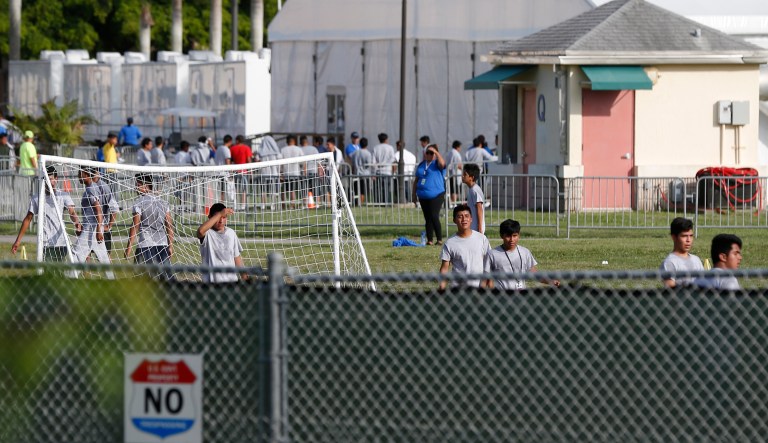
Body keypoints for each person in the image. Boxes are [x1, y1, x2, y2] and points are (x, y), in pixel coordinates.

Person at [12, 165, 82, 261]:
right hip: (45, 242)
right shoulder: (37, 198)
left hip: (61, 241)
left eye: (51, 179)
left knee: (59, 271)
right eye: (46, 179)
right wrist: (18, 241)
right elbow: (28, 219)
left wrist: (77, 223)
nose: (48, 182)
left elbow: (72, 212)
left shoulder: (63, 195)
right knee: (47, 272)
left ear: (56, 179)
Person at [124, 174, 175, 279]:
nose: (135, 188)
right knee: (165, 279)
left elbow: (135, 225)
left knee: (140, 281)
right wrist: (170, 245)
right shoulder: (163, 202)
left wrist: (129, 247)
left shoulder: (139, 202)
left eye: (138, 185)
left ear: (146, 186)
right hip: (162, 245)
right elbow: (169, 225)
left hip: (145, 245)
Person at [487, 219, 560, 290]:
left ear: (519, 235)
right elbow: (487, 278)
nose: (512, 240)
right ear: (501, 235)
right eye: (508, 236)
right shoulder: (492, 254)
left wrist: (550, 281)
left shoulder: (525, 252)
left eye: (514, 236)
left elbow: (534, 273)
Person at [72, 167, 114, 279]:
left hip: (91, 230)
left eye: (79, 173)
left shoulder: (91, 189)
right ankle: (112, 283)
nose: (78, 176)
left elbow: (98, 210)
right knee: (104, 260)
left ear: (85, 174)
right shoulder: (93, 187)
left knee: (75, 255)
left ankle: (68, 280)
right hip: (93, 229)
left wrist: (99, 230)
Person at [438, 204, 491, 290]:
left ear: (471, 219)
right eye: (460, 216)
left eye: (467, 216)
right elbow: (444, 268)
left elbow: (489, 264)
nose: (464, 219)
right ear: (454, 220)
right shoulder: (449, 243)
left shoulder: (482, 239)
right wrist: (441, 289)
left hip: (479, 288)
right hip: (458, 289)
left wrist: (487, 286)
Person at [196, 202, 246, 282]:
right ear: (210, 217)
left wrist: (244, 277)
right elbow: (200, 231)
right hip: (211, 283)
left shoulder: (231, 233)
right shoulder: (207, 233)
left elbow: (236, 257)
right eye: (218, 217)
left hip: (231, 282)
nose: (221, 221)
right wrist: (219, 214)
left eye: (224, 217)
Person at [413, 144, 446, 245]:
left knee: (434, 215)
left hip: (436, 194)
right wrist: (413, 194)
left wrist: (435, 152)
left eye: (431, 153)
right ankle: (430, 239)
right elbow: (416, 180)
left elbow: (443, 163)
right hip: (423, 195)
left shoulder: (437, 164)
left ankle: (439, 239)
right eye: (427, 152)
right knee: (427, 217)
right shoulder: (421, 164)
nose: (429, 154)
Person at [660, 217, 704, 288]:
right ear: (674, 237)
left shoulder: (696, 260)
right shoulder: (669, 262)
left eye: (691, 236)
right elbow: (671, 289)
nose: (688, 240)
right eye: (684, 236)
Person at [371, 133, 396, 203]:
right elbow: (392, 159)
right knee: (386, 188)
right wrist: (385, 164)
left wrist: (374, 171)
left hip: (378, 171)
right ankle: (386, 202)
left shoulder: (375, 148)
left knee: (378, 188)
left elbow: (373, 161)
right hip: (387, 171)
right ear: (386, 139)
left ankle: (378, 202)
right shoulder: (390, 148)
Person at [231, 135, 254, 209]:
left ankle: (236, 204)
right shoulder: (247, 148)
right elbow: (248, 160)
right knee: (244, 189)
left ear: (237, 140)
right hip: (244, 171)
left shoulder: (232, 148)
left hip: (236, 171)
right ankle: (243, 205)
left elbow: (231, 160)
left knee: (236, 188)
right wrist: (251, 172)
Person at [280, 135, 304, 206]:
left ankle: (283, 205)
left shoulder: (283, 149)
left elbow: (280, 162)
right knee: (292, 190)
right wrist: (302, 169)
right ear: (294, 141)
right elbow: (303, 162)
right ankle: (292, 205)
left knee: (283, 190)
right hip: (296, 173)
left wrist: (281, 173)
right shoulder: (298, 149)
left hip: (286, 173)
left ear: (287, 141)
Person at [462, 163, 485, 234]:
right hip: (473, 225)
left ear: (471, 177)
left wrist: (480, 226)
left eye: (465, 174)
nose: (462, 176)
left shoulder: (475, 190)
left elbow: (479, 208)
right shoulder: (471, 189)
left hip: (476, 227)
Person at [353, 137, 374, 205]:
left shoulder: (355, 152)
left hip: (357, 173)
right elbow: (368, 164)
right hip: (365, 174)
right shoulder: (367, 153)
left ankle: (357, 203)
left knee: (357, 190)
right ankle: (360, 203)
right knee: (363, 191)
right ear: (367, 144)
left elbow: (353, 162)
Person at [215, 134, 234, 203]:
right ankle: (222, 205)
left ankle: (221, 203)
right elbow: (227, 161)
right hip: (223, 173)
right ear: (230, 141)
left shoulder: (219, 148)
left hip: (217, 172)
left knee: (220, 191)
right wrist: (231, 173)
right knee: (224, 191)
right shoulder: (226, 149)